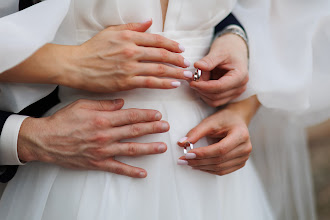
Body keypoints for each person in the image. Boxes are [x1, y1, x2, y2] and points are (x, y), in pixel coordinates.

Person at [0, 0, 274, 219]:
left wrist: (239, 107)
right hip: (82, 160)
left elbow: (269, 19)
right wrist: (70, 61)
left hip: (209, 169)